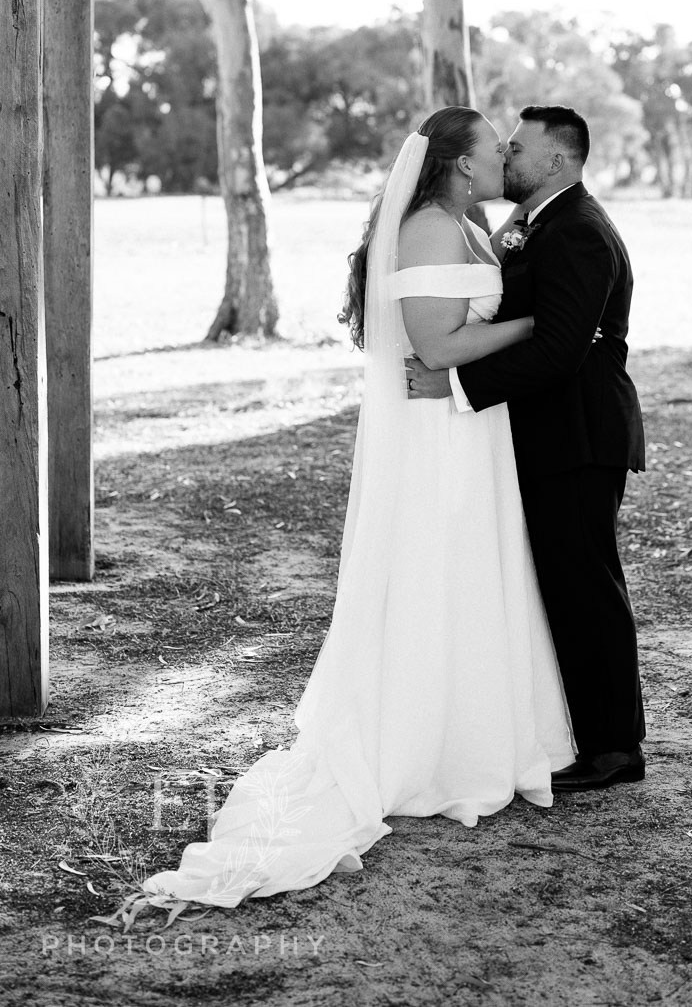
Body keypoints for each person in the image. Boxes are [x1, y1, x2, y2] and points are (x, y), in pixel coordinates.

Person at [128, 107, 575, 914]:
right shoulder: (433, 231)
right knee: (434, 572)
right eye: (489, 151)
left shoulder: (468, 226)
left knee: (469, 578)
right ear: (456, 165)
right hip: (440, 436)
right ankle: (418, 743)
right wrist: (538, 325)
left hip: (471, 431)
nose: (500, 160)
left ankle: (469, 730)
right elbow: (435, 350)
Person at [406, 105, 646, 791]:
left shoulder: (577, 232)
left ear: (556, 162)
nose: (505, 157)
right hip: (552, 434)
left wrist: (455, 383)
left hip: (577, 435)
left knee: (588, 590)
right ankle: (591, 733)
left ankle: (614, 749)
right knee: (566, 590)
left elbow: (561, 351)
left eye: (517, 148)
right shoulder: (538, 226)